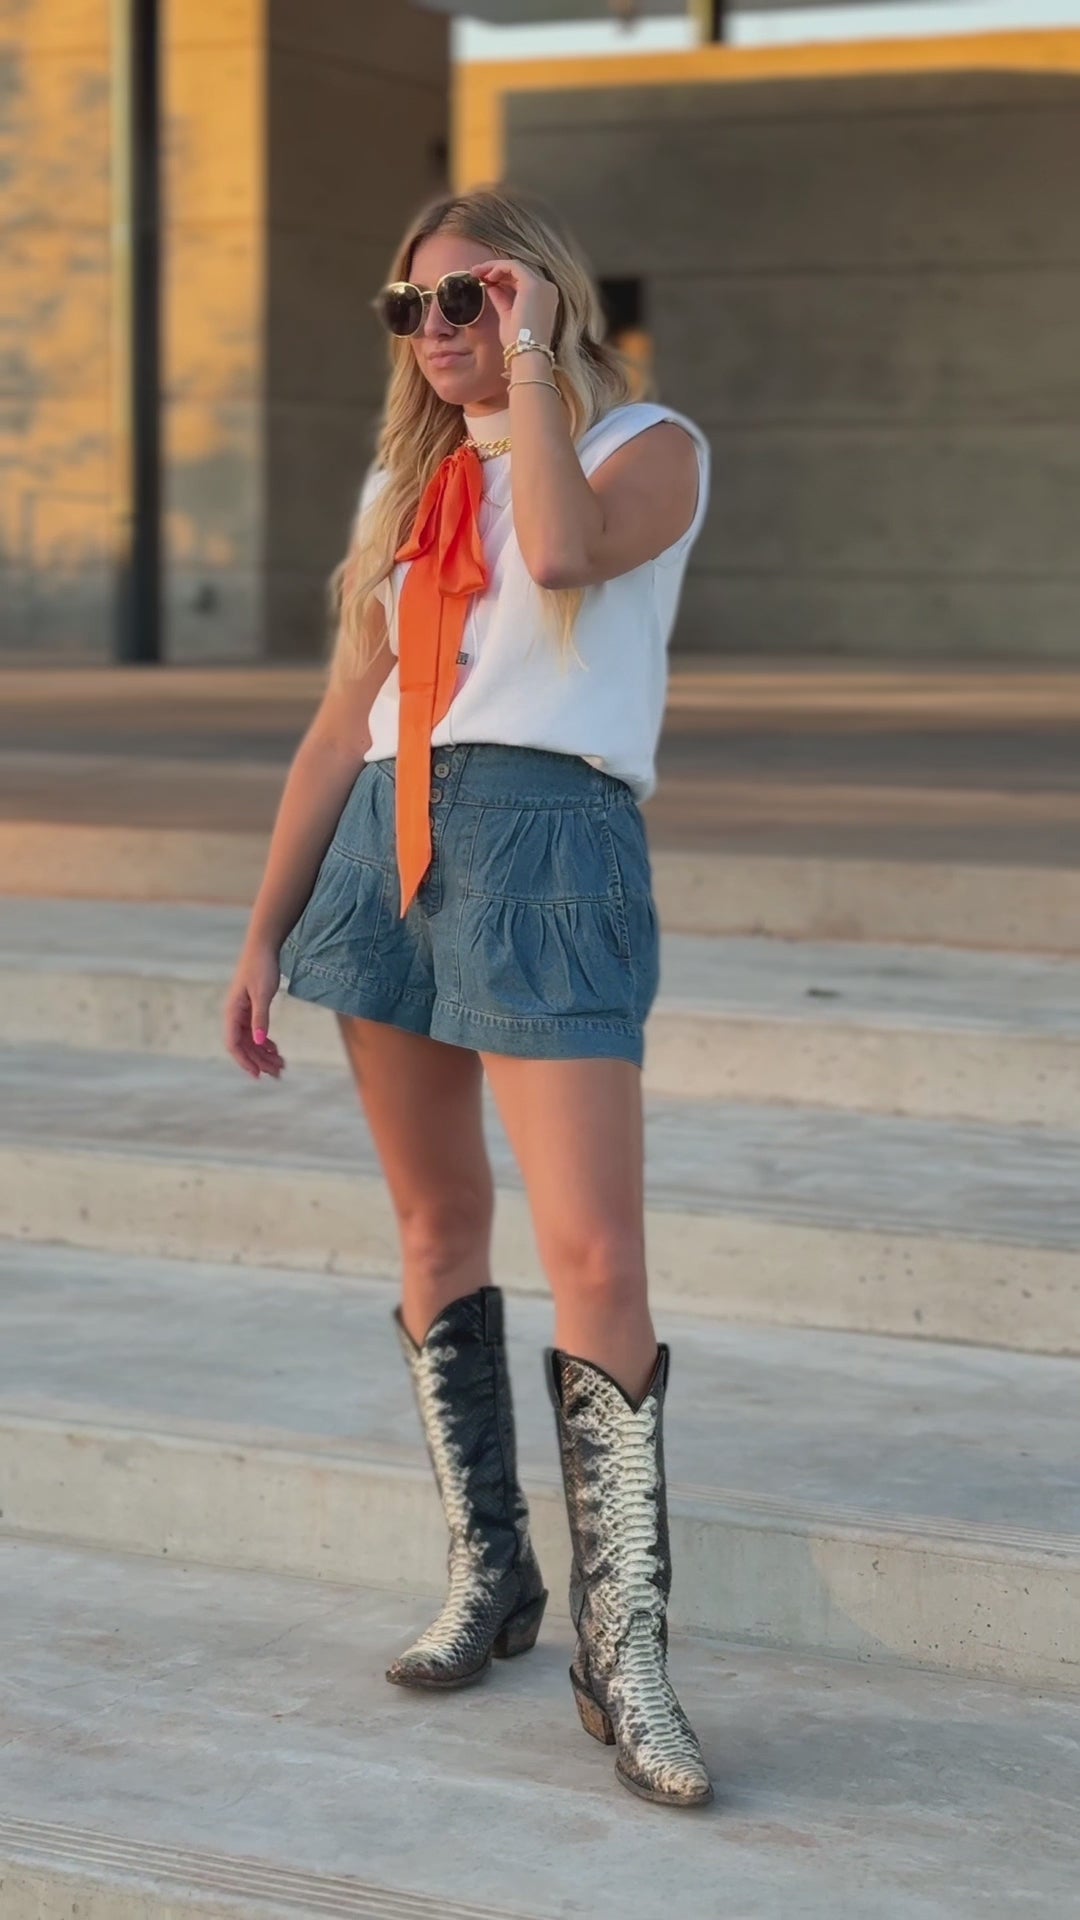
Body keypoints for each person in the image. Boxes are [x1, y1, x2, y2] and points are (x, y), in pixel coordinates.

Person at [223, 183, 713, 1811]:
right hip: (387, 851)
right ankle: (490, 1572)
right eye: (412, 306)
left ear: (541, 297)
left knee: (596, 1255)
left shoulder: (647, 445)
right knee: (437, 1228)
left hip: (549, 848)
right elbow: (337, 727)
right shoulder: (406, 486)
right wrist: (264, 931)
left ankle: (624, 1654)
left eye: (471, 297)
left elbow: (564, 554)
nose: (435, 329)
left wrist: (538, 375)